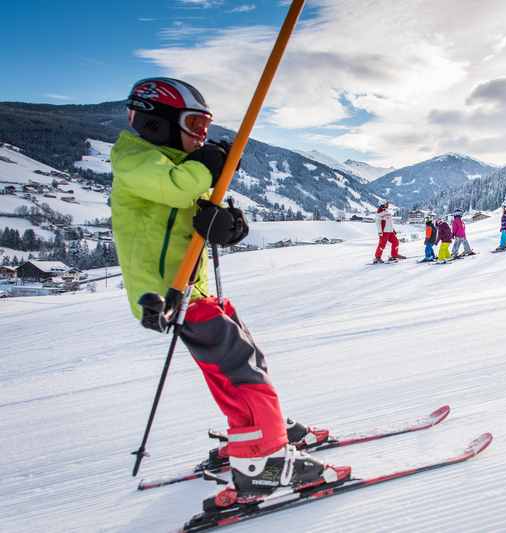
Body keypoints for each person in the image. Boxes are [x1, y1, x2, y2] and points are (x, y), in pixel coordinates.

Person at [111, 78, 342, 511]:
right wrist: (210, 161)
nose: (201, 134)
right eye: (194, 123)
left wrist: (226, 223)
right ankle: (263, 466)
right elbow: (179, 188)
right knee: (241, 369)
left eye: (205, 125)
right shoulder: (137, 160)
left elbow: (195, 207)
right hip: (168, 292)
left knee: (239, 361)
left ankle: (256, 431)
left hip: (190, 288)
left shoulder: (172, 162)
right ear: (156, 122)